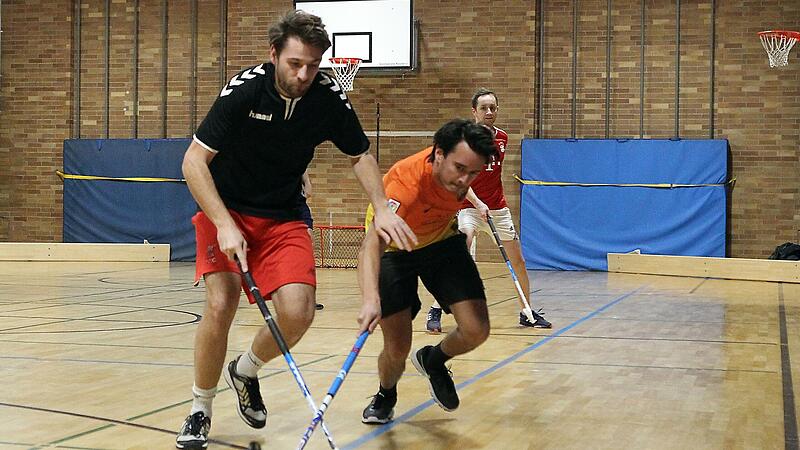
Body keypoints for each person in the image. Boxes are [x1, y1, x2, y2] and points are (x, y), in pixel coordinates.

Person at [175, 10, 416, 449]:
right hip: (225, 209)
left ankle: (246, 369)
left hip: (283, 214)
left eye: (313, 65)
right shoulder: (244, 91)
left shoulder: (326, 97)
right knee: (222, 302)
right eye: (295, 64)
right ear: (274, 55)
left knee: (299, 310)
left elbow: (359, 155)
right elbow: (193, 161)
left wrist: (381, 208)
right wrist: (225, 224)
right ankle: (200, 408)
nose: (304, 74)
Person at [356, 118, 497, 424]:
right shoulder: (405, 186)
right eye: (460, 169)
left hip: (440, 242)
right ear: (438, 154)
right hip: (395, 249)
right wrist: (370, 299)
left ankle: (434, 360)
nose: (464, 180)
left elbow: (466, 186)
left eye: (473, 173)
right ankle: (385, 394)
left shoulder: (461, 178)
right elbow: (371, 246)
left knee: (476, 329)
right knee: (397, 346)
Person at [426, 88, 551, 333]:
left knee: (519, 261)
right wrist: (477, 203)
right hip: (468, 207)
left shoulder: (502, 137)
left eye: (493, 107)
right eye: (484, 108)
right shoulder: (464, 142)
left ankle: (526, 311)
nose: (489, 112)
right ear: (474, 111)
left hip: (498, 209)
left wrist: (490, 205)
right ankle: (436, 309)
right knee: (461, 251)